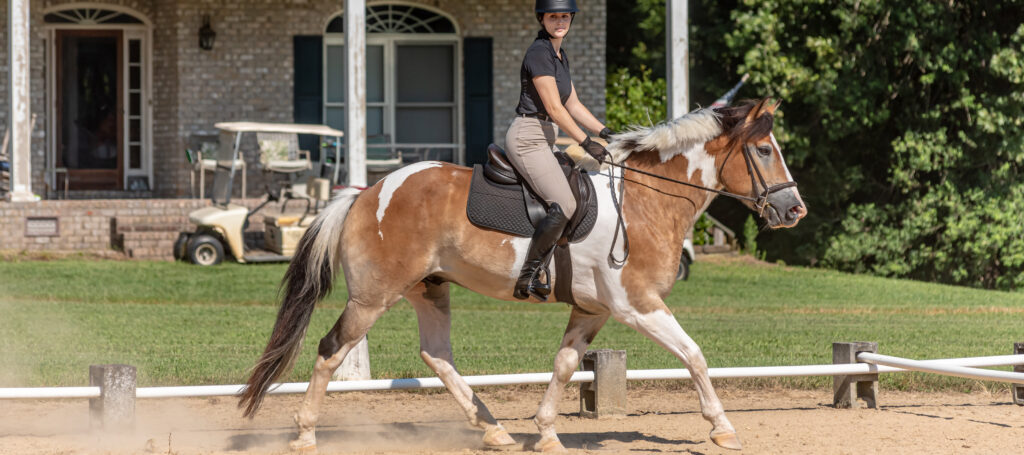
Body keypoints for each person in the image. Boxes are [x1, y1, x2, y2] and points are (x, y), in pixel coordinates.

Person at [505, 0, 614, 301]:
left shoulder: (559, 55)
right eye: (553, 16)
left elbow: (573, 104)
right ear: (542, 19)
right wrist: (585, 142)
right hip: (528, 138)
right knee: (565, 203)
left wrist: (605, 132)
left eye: (565, 16)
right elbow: (554, 108)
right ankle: (528, 276)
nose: (560, 21)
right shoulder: (539, 53)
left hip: (545, 137)